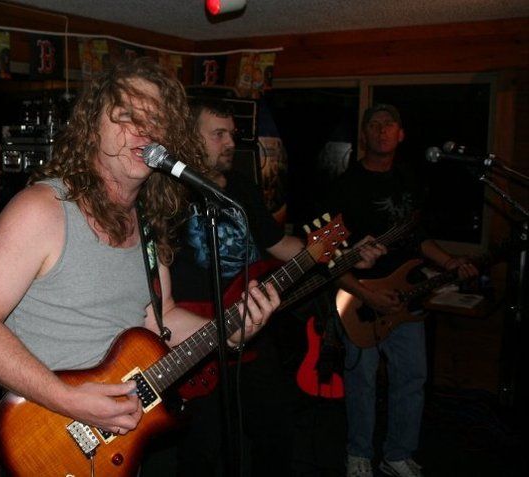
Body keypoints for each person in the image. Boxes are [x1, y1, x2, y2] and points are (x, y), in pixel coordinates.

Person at [0, 59, 280, 448]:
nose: (143, 130)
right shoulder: (43, 210)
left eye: (155, 120)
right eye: (126, 116)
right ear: (93, 127)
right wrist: (69, 399)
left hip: (114, 442)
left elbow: (162, 319)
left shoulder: (148, 223)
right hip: (45, 433)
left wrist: (230, 331)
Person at [168, 98, 386, 477]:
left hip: (252, 328)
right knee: (202, 448)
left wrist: (345, 255)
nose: (230, 143)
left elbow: (279, 244)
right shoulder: (169, 193)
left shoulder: (241, 187)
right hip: (197, 337)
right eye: (218, 134)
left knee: (276, 431)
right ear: (189, 137)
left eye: (231, 134)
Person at [324, 104, 478, 477]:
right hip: (360, 299)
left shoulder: (409, 181)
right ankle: (359, 455)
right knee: (361, 380)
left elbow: (417, 238)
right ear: (364, 135)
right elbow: (326, 252)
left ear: (401, 134)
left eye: (389, 124)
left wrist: (450, 262)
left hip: (407, 296)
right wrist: (364, 293)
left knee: (411, 378)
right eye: (374, 125)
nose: (382, 130)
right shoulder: (344, 186)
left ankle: (397, 455)